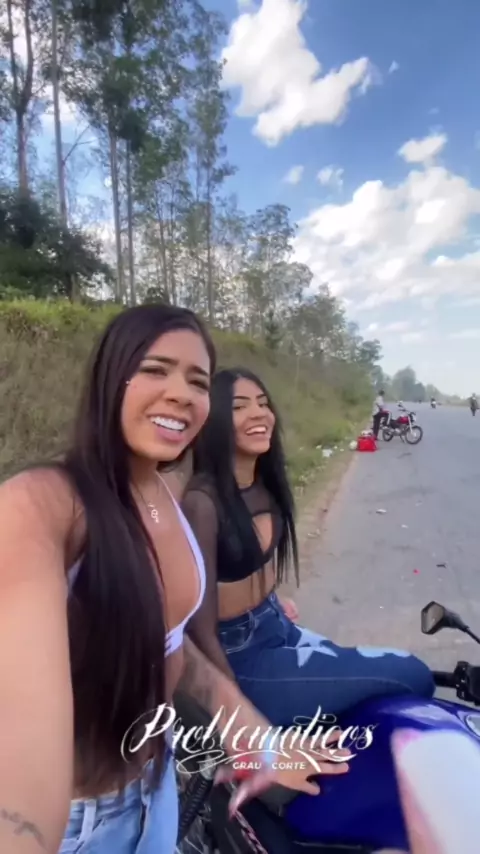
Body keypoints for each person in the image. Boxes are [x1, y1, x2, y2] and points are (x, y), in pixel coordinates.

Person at [0, 307, 344, 854]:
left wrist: (260, 743)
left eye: (198, 381)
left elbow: (177, 652)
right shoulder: (39, 506)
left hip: (155, 790)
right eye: (156, 370)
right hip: (77, 826)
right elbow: (23, 749)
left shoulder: (164, 492)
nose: (182, 394)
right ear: (111, 378)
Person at [182, 367, 435, 729]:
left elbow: (246, 562)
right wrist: (237, 712)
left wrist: (269, 597)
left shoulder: (264, 483)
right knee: (412, 674)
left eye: (263, 403)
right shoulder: (202, 502)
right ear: (216, 420)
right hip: (239, 656)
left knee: (389, 680)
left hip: (275, 624)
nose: (258, 414)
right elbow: (198, 626)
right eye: (239, 407)